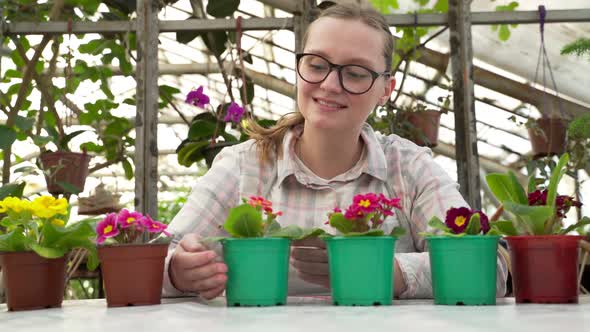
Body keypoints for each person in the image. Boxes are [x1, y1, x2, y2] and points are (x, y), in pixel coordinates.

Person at [163, 3, 508, 300]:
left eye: (355, 73)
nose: (329, 84)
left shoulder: (408, 168)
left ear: (386, 89)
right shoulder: (244, 166)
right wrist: (179, 270)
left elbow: (488, 269)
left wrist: (382, 272)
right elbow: (163, 256)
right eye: (316, 65)